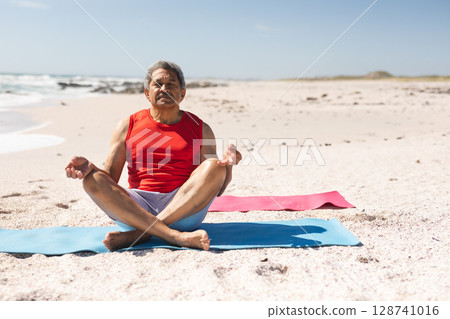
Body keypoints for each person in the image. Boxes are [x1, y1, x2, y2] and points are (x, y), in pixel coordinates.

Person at [65, 60, 241, 252]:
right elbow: (110, 178)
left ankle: (140, 235)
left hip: (183, 210)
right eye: (157, 84)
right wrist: (90, 168)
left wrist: (228, 166)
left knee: (215, 165)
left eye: (171, 84)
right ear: (147, 93)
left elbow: (216, 187)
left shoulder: (201, 128)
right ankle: (174, 236)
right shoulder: (127, 125)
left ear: (182, 94)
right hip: (136, 209)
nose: (164, 89)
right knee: (92, 180)